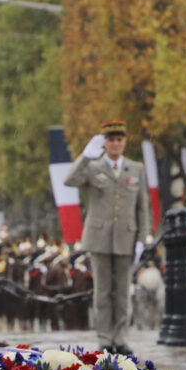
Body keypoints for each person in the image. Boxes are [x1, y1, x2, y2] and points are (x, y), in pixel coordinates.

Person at [63, 119, 151, 353]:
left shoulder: (136, 169)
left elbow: (142, 207)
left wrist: (142, 237)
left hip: (126, 236)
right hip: (99, 237)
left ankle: (120, 338)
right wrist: (85, 156)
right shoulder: (93, 167)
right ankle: (104, 339)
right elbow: (69, 180)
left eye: (118, 139)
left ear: (125, 141)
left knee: (122, 292)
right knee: (102, 292)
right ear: (105, 143)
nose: (114, 144)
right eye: (110, 140)